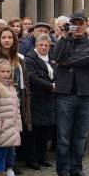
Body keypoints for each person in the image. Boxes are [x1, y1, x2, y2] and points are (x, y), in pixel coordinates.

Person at [53, 13, 89, 176]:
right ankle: (63, 170)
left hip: (86, 94)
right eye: (74, 24)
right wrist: (64, 36)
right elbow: (57, 57)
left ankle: (76, 168)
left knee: (81, 135)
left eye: (81, 24)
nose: (78, 27)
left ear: (86, 25)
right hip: (66, 94)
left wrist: (66, 62)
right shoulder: (64, 41)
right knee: (64, 135)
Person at [25, 34, 57, 167]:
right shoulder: (30, 59)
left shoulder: (52, 58)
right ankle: (32, 160)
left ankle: (42, 158)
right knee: (34, 131)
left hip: (49, 99)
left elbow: (57, 73)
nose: (44, 47)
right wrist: (50, 86)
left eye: (46, 45)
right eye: (41, 45)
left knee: (45, 130)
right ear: (36, 45)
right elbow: (32, 77)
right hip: (35, 98)